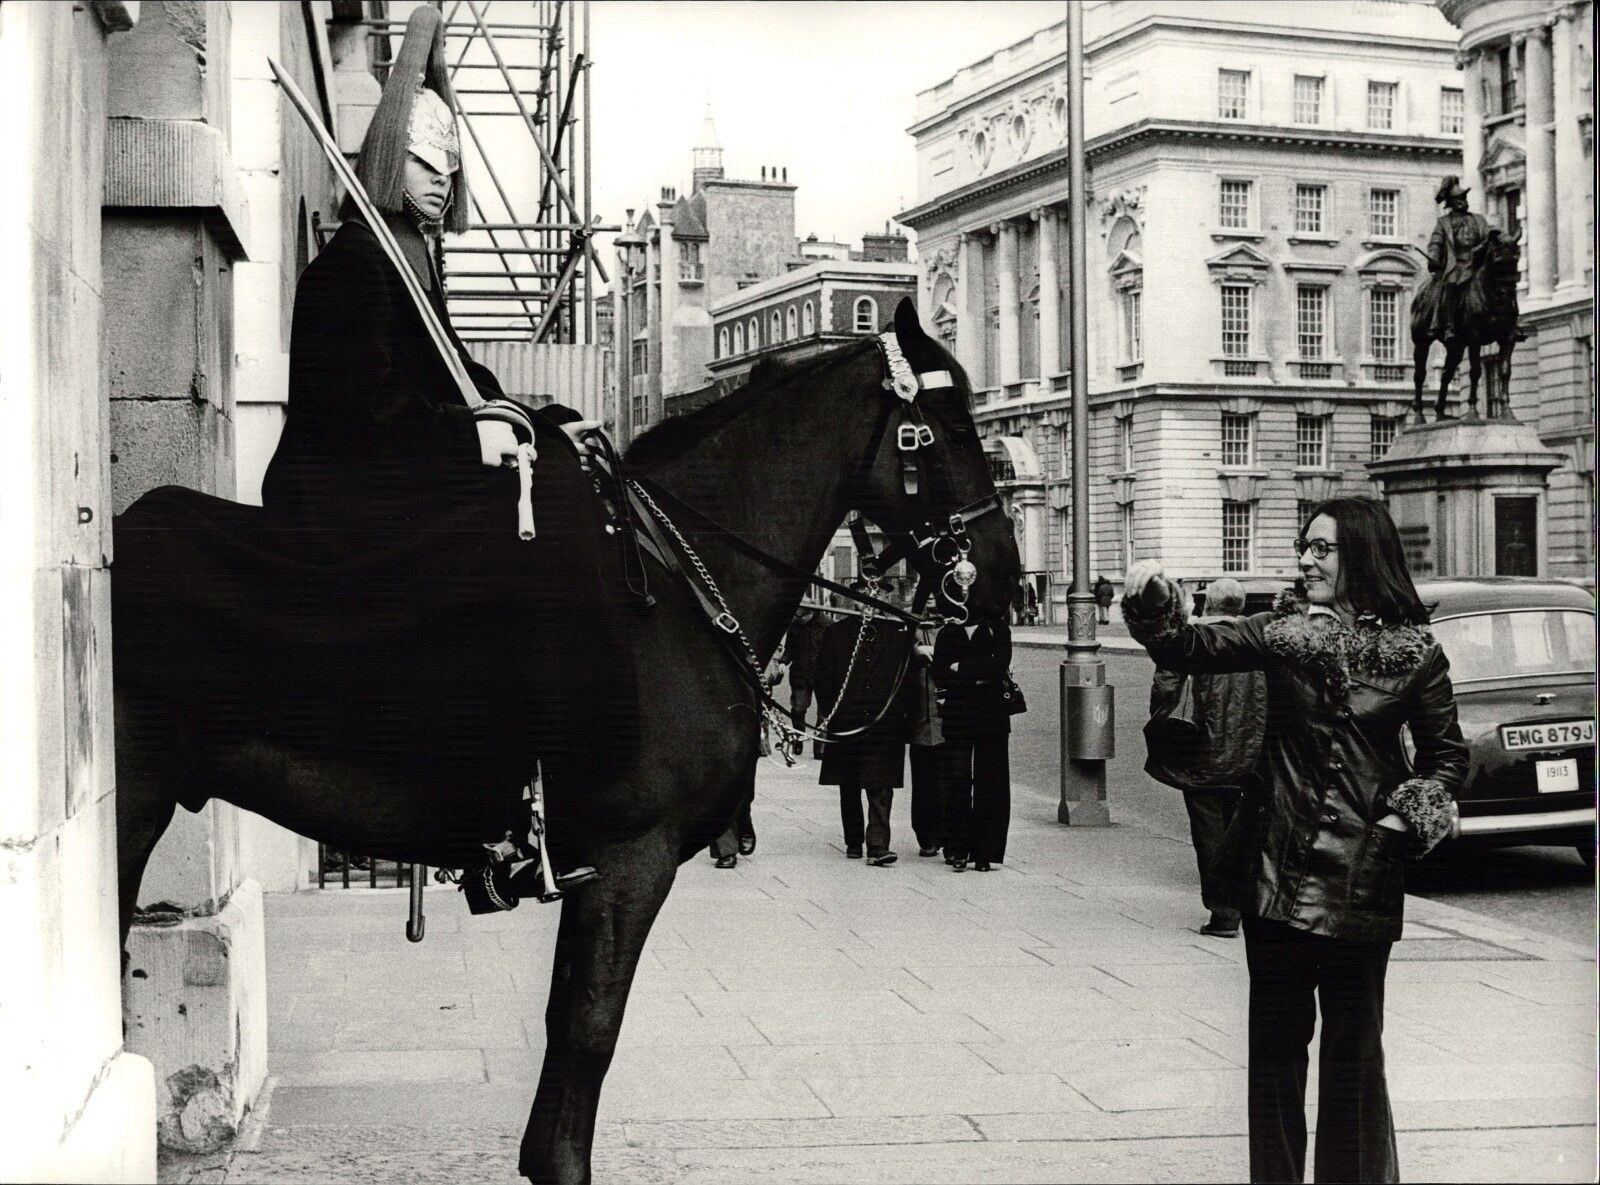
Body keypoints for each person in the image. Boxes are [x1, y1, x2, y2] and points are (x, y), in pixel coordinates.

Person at [260, 7, 630, 909]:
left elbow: (460, 373)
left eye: (452, 165)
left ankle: (518, 805)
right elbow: (362, 413)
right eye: (427, 164)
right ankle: (488, 825)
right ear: (393, 160)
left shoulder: (412, 262)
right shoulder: (353, 266)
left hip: (385, 476)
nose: (442, 181)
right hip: (338, 495)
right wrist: (469, 433)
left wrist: (535, 416)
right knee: (494, 578)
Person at [1122, 497, 1467, 1184]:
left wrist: (1406, 816)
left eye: (1322, 548)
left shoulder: (1415, 655)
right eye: (1304, 546)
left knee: (1354, 1057)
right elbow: (1189, 645)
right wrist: (1156, 599)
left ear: (1363, 556)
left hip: (1362, 878)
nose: (1305, 559)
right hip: (1274, 871)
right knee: (1276, 1056)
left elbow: (1448, 756)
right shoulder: (1280, 632)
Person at [1143, 577, 1267, 938]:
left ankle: (1224, 914)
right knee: (1244, 830)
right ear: (1240, 607)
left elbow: (1164, 689)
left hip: (1201, 751)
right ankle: (1250, 904)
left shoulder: (1192, 641)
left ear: (1208, 605)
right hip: (1250, 753)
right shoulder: (1258, 641)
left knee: (1210, 833)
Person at [813, 588, 914, 866]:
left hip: (883, 722)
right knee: (850, 783)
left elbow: (906, 680)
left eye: (879, 596)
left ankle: (878, 845)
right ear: (854, 601)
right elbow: (822, 676)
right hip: (847, 721)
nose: (872, 602)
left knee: (880, 785)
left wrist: (901, 717)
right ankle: (854, 840)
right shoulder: (837, 633)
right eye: (866, 597)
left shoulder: (897, 634)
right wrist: (831, 714)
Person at [932, 613, 1013, 872]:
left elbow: (999, 667)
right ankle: (958, 849)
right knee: (957, 781)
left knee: (991, 782)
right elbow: (940, 675)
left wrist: (961, 668)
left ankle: (985, 853)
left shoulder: (997, 628)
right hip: (958, 716)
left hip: (992, 716)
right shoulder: (948, 632)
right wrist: (979, 671)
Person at [1414, 175, 1492, 348]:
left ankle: (1509, 322)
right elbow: (1435, 242)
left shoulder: (1479, 219)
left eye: (1464, 197)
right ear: (1452, 201)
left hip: (1478, 263)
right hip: (1456, 264)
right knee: (1450, 284)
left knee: (1501, 281)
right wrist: (1434, 256)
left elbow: (1490, 235)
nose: (1464, 201)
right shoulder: (1444, 223)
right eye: (1460, 198)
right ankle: (1448, 325)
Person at [778, 603, 830, 759]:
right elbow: (789, 649)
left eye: (801, 617)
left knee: (824, 713)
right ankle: (798, 739)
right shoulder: (795, 625)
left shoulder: (827, 625)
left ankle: (819, 748)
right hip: (800, 674)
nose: (798, 619)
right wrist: (783, 662)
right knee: (798, 710)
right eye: (796, 616)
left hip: (823, 675)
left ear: (811, 613)